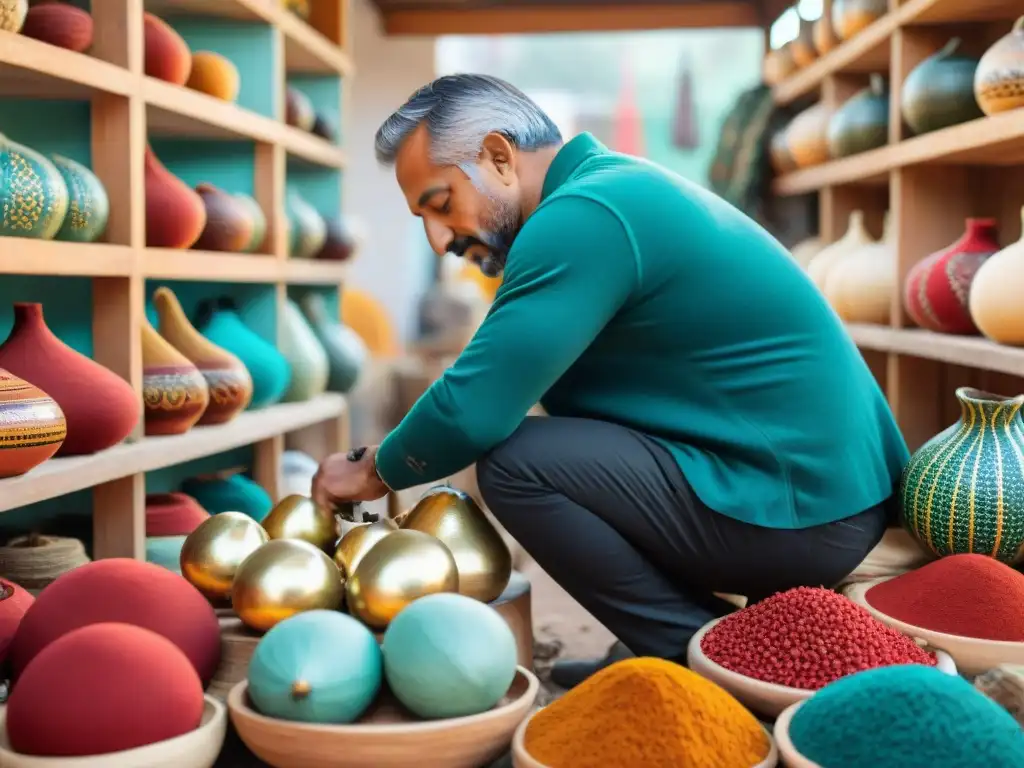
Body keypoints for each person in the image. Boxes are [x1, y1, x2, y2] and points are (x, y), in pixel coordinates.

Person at [312, 74, 910, 689]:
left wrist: (372, 469)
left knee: (518, 462)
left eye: (440, 205)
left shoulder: (582, 217)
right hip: (810, 494)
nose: (439, 240)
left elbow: (474, 407)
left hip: (797, 510)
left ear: (498, 157)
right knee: (557, 444)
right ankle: (675, 640)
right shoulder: (609, 192)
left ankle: (703, 654)